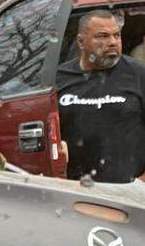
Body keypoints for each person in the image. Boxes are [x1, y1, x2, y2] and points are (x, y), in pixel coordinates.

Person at [56, 9, 145, 183]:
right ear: (81, 42)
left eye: (117, 35)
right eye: (102, 36)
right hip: (76, 193)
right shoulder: (59, 79)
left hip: (129, 195)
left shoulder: (139, 75)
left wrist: (142, 184)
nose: (112, 42)